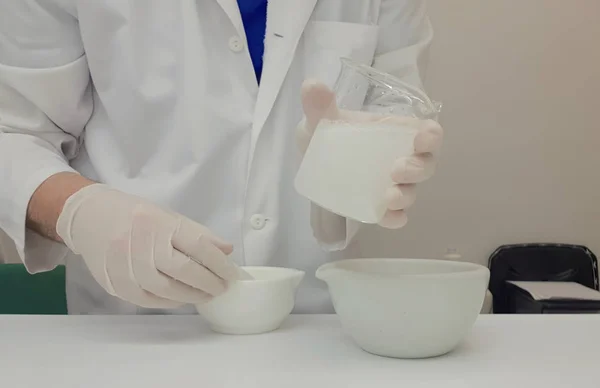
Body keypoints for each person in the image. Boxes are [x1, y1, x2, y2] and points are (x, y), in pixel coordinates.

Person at [0, 0, 443, 314]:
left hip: (316, 330)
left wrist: (350, 171)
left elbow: (396, 108)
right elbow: (14, 131)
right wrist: (80, 211)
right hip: (133, 333)